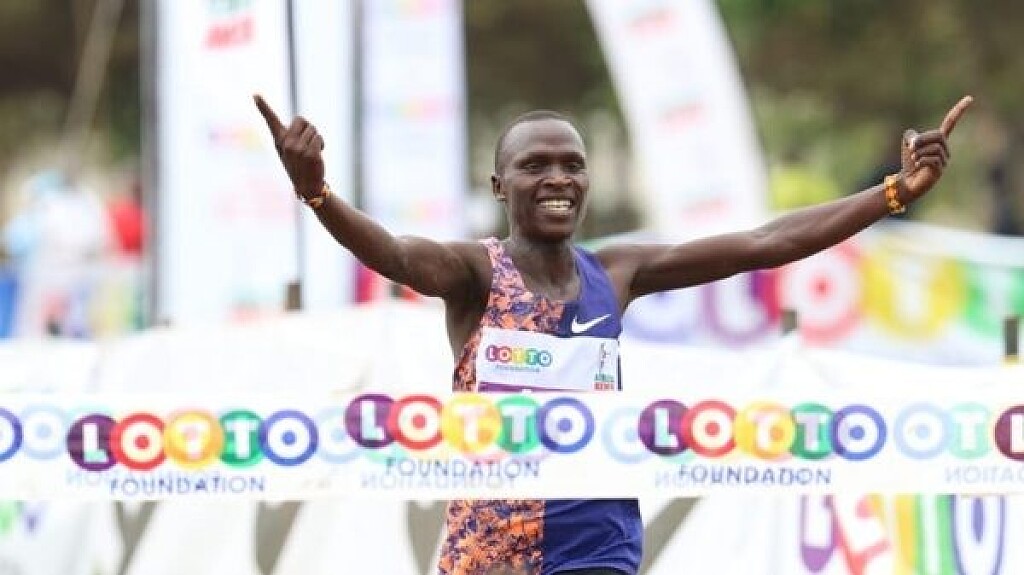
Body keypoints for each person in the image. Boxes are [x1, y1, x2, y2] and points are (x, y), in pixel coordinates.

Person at [254, 94, 973, 575]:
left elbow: (765, 242)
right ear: (500, 186)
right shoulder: (475, 271)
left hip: (597, 541)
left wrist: (893, 192)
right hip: (490, 547)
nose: (558, 178)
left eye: (573, 164)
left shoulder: (617, 273)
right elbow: (391, 253)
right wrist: (317, 191)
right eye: (535, 166)